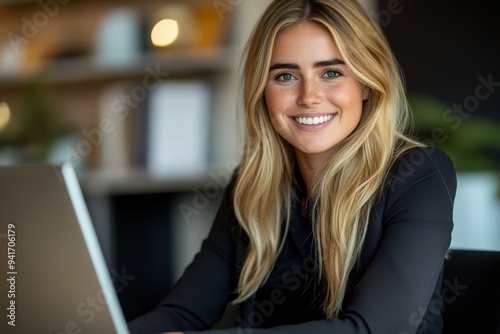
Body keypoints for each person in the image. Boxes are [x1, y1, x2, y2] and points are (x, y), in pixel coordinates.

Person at [127, 0, 456, 333]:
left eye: (331, 72)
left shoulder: (419, 174)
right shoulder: (252, 186)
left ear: (367, 83)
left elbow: (375, 328)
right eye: (285, 76)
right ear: (263, 90)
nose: (308, 96)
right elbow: (182, 314)